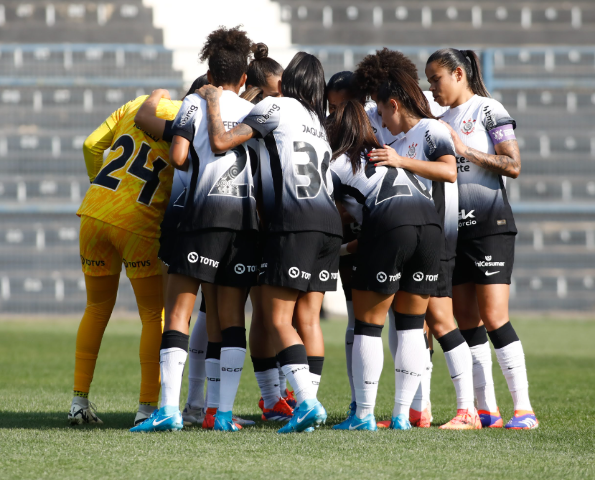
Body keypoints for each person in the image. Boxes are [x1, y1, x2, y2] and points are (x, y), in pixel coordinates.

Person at [198, 52, 342, 434]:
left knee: (277, 318)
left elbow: (220, 141)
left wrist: (214, 100)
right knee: (307, 319)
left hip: (293, 223)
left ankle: (306, 403)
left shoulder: (278, 106)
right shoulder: (318, 122)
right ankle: (300, 403)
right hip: (329, 227)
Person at [131, 26, 258, 433]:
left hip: (198, 215)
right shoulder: (258, 109)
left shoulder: (193, 102)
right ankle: (220, 413)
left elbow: (180, 155)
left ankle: (169, 409)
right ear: (243, 77)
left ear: (209, 71)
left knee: (180, 313)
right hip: (242, 221)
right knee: (226, 317)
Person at [328, 69, 456, 431]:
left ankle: (364, 415)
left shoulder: (336, 164)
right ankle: (402, 415)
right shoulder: (386, 153)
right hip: (429, 223)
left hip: (393, 223)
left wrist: (336, 251)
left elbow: (325, 211)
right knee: (413, 326)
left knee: (369, 326)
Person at [425, 48, 538, 430]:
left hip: (490, 224)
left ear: (459, 74)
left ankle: (524, 409)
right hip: (454, 230)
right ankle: (485, 410)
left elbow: (514, 165)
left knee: (494, 317)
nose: (431, 87)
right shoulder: (437, 118)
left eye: (435, 79)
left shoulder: (488, 109)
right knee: (466, 320)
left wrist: (466, 150)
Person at [68, 91, 181, 426]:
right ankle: (146, 408)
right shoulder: (190, 118)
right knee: (152, 315)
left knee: (96, 308)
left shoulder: (138, 103)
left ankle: (78, 402)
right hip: (139, 222)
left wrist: (100, 186)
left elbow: (91, 145)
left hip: (94, 211)